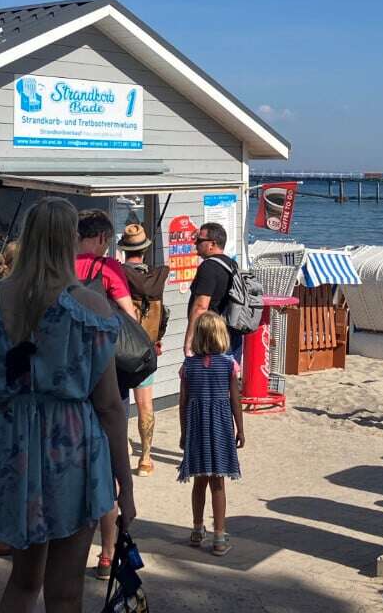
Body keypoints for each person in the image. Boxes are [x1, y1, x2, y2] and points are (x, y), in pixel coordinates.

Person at [0, 197, 134, 611]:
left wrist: (3, 415)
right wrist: (124, 484)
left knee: (22, 581)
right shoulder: (89, 307)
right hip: (70, 448)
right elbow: (109, 405)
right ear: (70, 241)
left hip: (10, 445)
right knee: (65, 589)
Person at [74, 208, 136, 577]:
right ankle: (107, 552)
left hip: (68, 381)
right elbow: (127, 317)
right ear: (100, 240)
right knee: (109, 463)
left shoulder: (62, 269)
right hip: (104, 373)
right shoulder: (107, 269)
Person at [178, 311, 244, 557]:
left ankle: (196, 530)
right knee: (218, 482)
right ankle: (219, 536)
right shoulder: (229, 365)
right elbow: (236, 401)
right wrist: (241, 430)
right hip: (221, 428)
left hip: (196, 428)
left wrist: (184, 432)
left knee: (198, 481)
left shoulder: (188, 366)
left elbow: (183, 403)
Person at [118, 222, 169, 478]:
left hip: (119, 350)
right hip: (146, 349)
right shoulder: (156, 277)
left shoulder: (116, 275)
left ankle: (122, 446)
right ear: (145, 250)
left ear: (124, 250)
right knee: (145, 405)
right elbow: (163, 314)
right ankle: (146, 458)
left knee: (117, 402)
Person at [184, 222, 242, 361]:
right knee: (227, 380)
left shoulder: (208, 267)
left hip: (209, 338)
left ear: (212, 244)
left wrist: (189, 341)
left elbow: (200, 307)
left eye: (199, 241)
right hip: (230, 336)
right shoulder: (232, 265)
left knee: (202, 381)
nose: (195, 244)